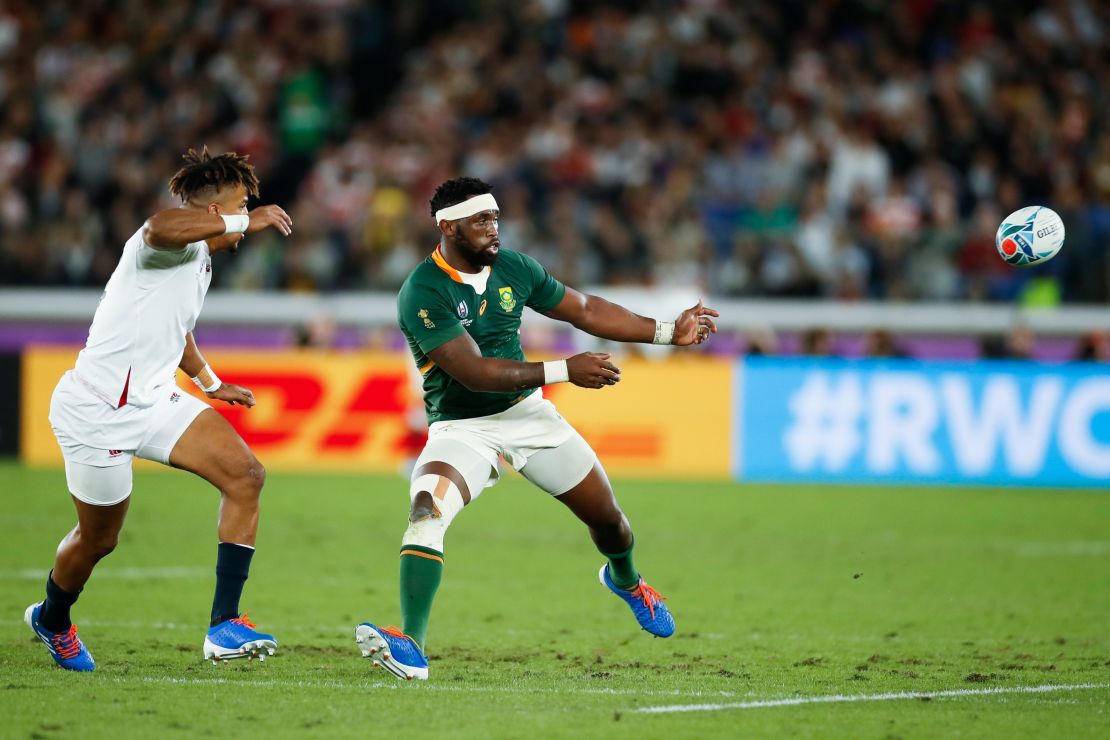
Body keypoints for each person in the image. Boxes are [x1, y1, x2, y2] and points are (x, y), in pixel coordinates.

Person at [355, 177, 719, 680]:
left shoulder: (514, 267)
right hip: (462, 427)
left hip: (528, 417)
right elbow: (474, 373)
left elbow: (586, 310)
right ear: (448, 227)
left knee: (610, 522)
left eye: (496, 218)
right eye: (481, 221)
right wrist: (564, 370)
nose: (493, 229)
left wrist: (664, 332)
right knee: (425, 511)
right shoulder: (421, 291)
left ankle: (627, 580)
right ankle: (412, 643)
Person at [25, 148, 293, 671]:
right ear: (217, 212)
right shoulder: (159, 245)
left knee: (246, 476)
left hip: (153, 400)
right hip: (95, 410)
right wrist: (247, 219)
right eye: (240, 204)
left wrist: (212, 383)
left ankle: (223, 626)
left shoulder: (201, 259)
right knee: (99, 539)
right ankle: (53, 618)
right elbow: (157, 226)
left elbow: (178, 328)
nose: (247, 217)